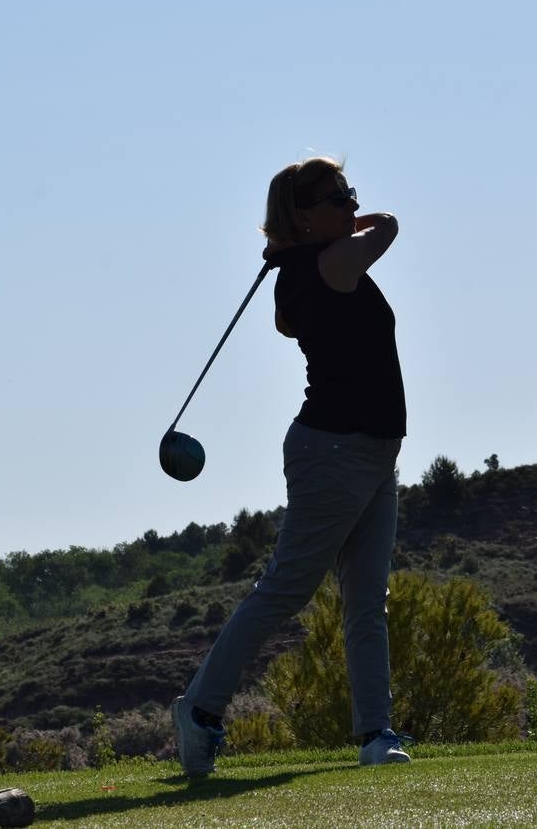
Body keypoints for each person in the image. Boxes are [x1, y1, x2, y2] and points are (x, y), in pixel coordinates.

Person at [171, 155, 410, 776]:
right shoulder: (333, 262)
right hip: (335, 449)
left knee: (365, 599)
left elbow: (288, 319)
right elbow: (388, 225)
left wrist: (289, 244)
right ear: (303, 215)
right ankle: (199, 709)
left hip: (370, 451)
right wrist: (304, 241)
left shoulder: (301, 272)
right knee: (286, 589)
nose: (352, 203)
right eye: (337, 196)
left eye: (351, 191)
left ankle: (376, 733)